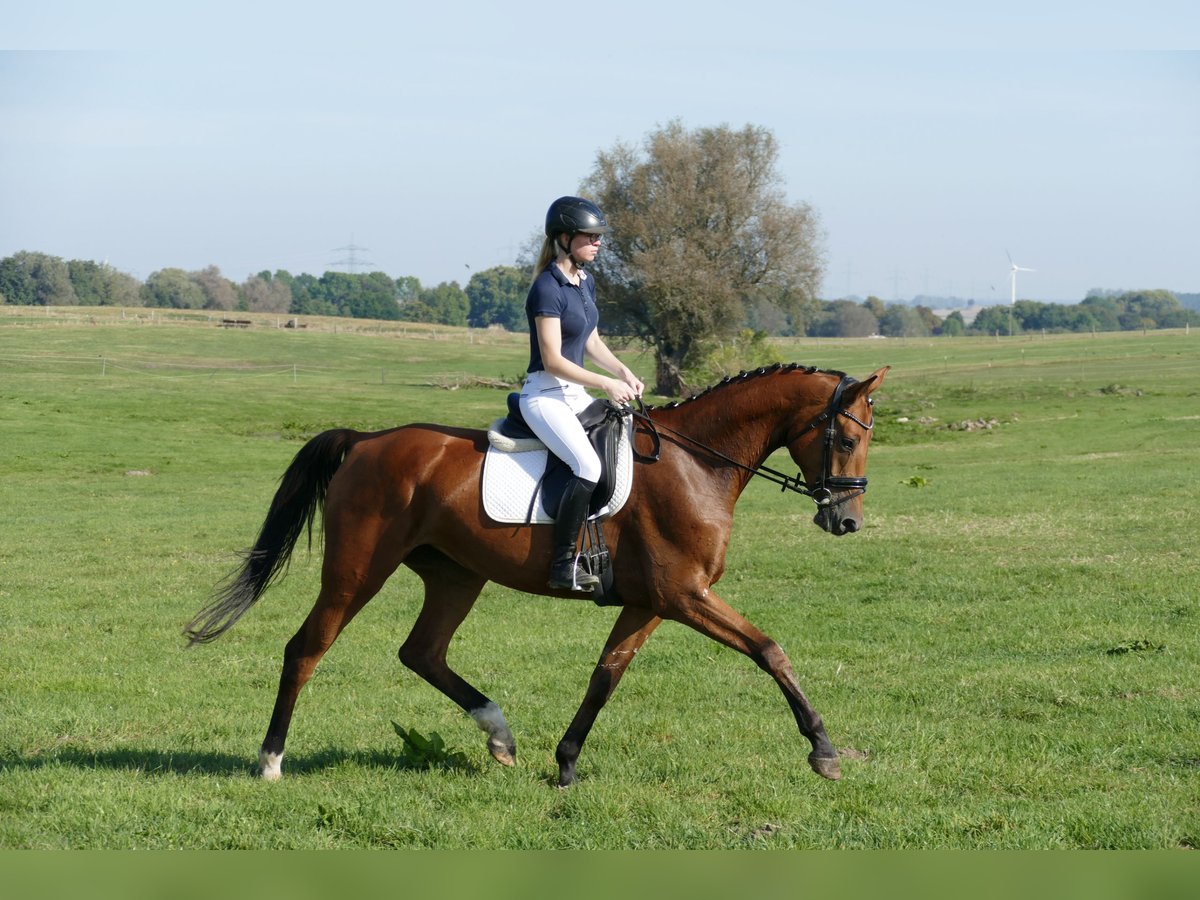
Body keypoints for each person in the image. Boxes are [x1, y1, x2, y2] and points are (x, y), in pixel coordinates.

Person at [520, 196, 644, 592]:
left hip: (574, 393)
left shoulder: (583, 281)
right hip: (546, 395)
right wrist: (606, 384)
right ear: (564, 238)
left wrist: (622, 369)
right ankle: (561, 565)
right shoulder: (546, 288)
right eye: (590, 236)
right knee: (587, 467)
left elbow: (589, 339)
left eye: (598, 236)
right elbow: (553, 359)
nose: (598, 243)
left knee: (624, 442)